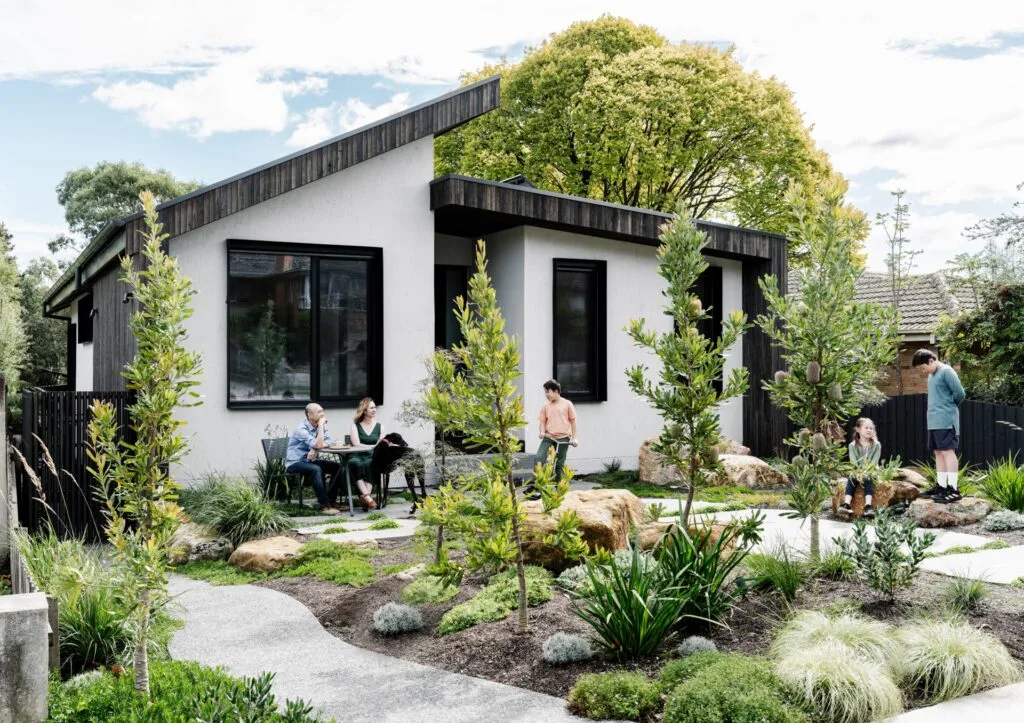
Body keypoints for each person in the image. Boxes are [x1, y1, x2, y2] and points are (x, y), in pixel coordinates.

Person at [912, 349, 967, 503]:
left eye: (923, 367)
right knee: (938, 452)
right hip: (934, 421)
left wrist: (948, 408)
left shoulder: (947, 372)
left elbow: (960, 394)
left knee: (948, 451)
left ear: (931, 360)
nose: (923, 371)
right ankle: (941, 487)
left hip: (946, 419)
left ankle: (954, 489)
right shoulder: (931, 375)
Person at [285, 403, 343, 515]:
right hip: (295, 462)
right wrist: (320, 431)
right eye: (319, 412)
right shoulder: (301, 429)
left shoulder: (320, 425)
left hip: (309, 460)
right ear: (310, 415)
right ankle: (325, 506)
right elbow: (319, 443)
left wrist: (314, 449)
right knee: (316, 469)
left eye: (322, 411)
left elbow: (329, 441)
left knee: (337, 467)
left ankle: (331, 501)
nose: (323, 414)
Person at [534, 379, 578, 483]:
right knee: (539, 458)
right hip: (549, 437)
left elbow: (573, 422)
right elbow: (543, 422)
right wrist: (542, 432)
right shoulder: (546, 406)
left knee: (559, 465)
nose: (546, 395)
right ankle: (539, 486)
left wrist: (574, 438)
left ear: (556, 391)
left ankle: (559, 490)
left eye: (547, 392)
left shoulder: (567, 404)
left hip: (563, 438)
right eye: (545, 392)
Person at [837, 418, 881, 520]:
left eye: (871, 428)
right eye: (866, 428)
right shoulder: (852, 445)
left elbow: (874, 462)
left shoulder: (876, 445)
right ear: (858, 429)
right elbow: (853, 462)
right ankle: (847, 505)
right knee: (852, 477)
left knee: (868, 478)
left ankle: (868, 507)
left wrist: (866, 471)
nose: (869, 430)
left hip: (871, 470)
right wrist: (858, 472)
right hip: (857, 471)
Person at [346, 398, 383, 510]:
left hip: (371, 455)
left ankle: (365, 498)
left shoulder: (380, 426)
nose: (374, 410)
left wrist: (370, 447)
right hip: (356, 454)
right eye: (371, 408)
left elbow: (380, 445)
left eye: (375, 407)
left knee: (371, 464)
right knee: (354, 464)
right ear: (364, 410)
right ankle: (368, 498)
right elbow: (356, 444)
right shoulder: (355, 426)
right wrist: (372, 446)